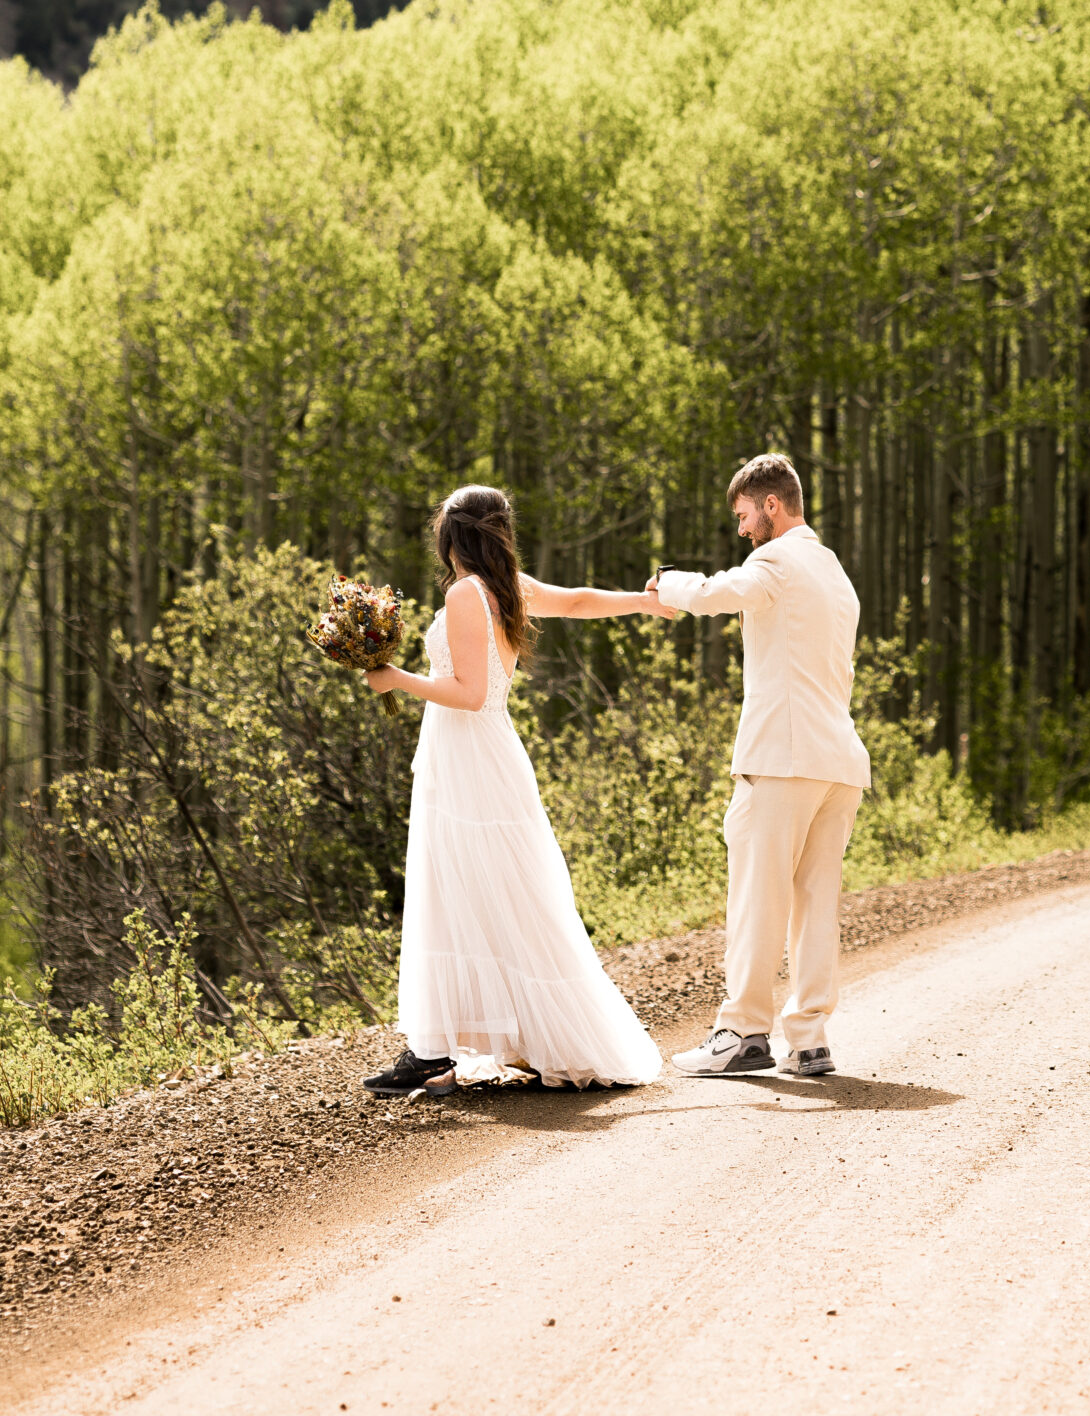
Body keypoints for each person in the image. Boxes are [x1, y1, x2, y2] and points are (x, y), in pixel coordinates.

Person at [361, 483, 669, 1095]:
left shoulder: (464, 595)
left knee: (459, 890)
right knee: (498, 890)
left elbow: (469, 694)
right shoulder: (506, 588)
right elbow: (579, 602)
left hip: (469, 759)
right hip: (485, 756)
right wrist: (645, 602)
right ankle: (449, 1043)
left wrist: (396, 677)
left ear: (452, 536)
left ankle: (439, 1049)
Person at [653, 453, 869, 1079]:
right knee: (815, 902)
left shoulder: (774, 561)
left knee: (757, 897)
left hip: (783, 760)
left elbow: (721, 593)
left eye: (746, 515)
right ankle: (809, 1038)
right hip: (838, 763)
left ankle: (743, 1033)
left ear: (772, 505)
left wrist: (667, 584)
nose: (743, 530)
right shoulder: (834, 571)